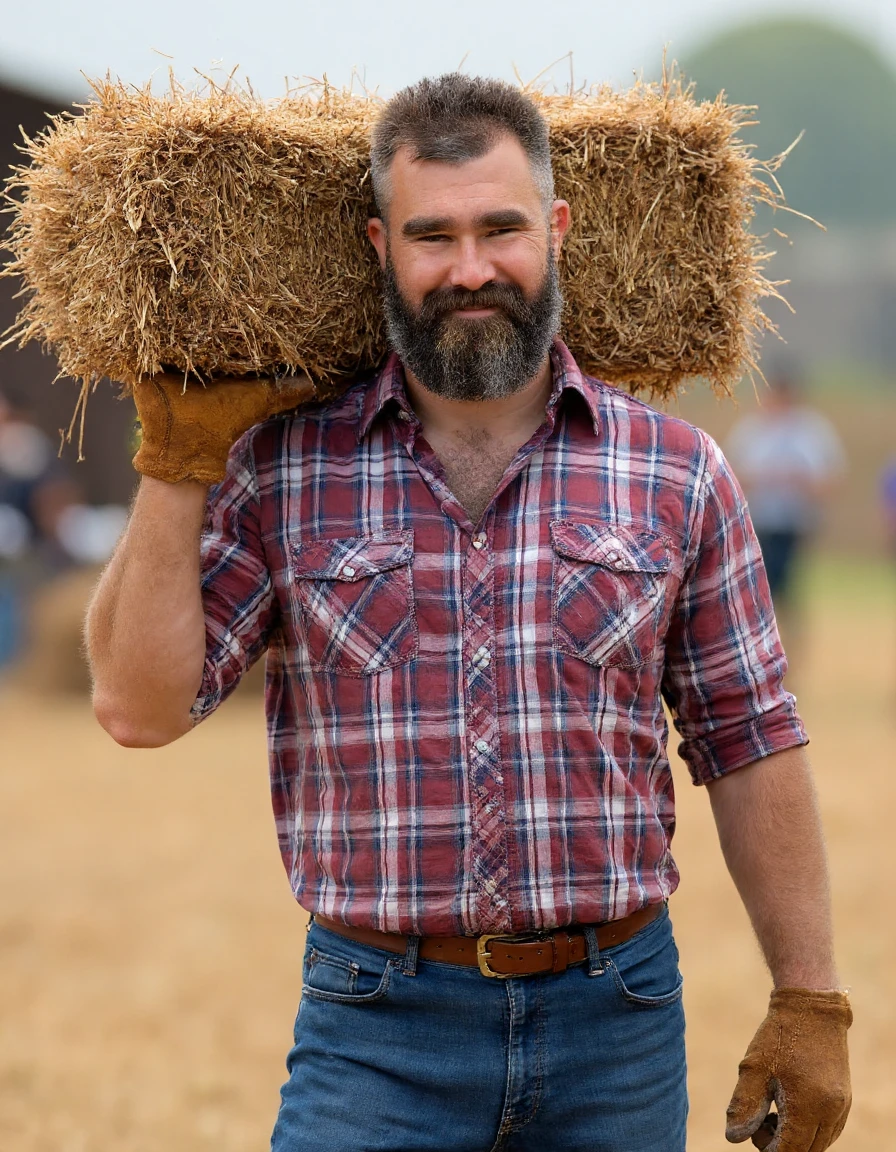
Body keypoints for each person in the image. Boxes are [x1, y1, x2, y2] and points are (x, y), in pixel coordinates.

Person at [85, 75, 852, 1152]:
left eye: (501, 228)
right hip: (375, 1026)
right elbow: (136, 705)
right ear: (379, 245)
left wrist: (807, 998)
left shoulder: (675, 473)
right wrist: (175, 465)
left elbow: (750, 738)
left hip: (617, 1020)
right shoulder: (282, 468)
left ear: (557, 229)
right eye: (430, 236)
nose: (470, 268)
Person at [725, 366, 845, 612]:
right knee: (756, 588)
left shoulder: (811, 431)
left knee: (787, 591)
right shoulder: (752, 431)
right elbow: (730, 476)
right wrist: (764, 477)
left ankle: (788, 644)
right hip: (755, 523)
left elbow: (831, 477)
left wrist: (799, 481)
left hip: (794, 523)